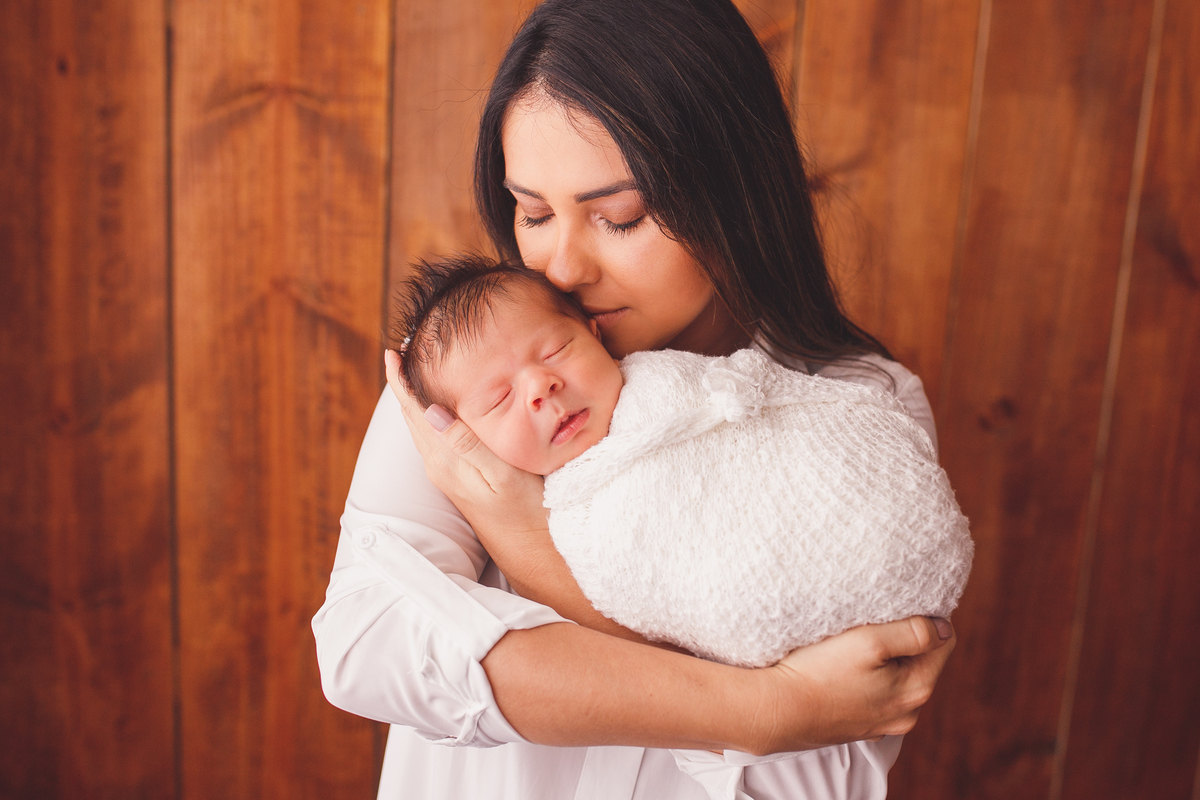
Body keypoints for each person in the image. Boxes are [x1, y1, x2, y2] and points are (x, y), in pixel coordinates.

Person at [312, 0, 958, 798]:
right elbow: (368, 645)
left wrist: (526, 544)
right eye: (535, 213)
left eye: (618, 217)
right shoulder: (478, 367)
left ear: (732, 191)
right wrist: (763, 705)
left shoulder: (859, 410)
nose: (561, 267)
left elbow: (819, 769)